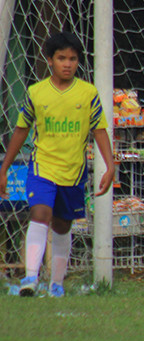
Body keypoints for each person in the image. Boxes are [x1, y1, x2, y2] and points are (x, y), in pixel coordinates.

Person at [0, 32, 114, 297]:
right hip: (42, 167)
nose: (67, 64)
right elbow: (20, 130)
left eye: (73, 59)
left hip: (73, 171)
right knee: (40, 214)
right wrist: (3, 168)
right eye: (61, 58)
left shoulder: (88, 94)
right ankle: (30, 277)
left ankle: (57, 284)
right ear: (49, 59)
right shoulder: (36, 93)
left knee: (63, 225)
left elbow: (99, 130)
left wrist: (110, 166)